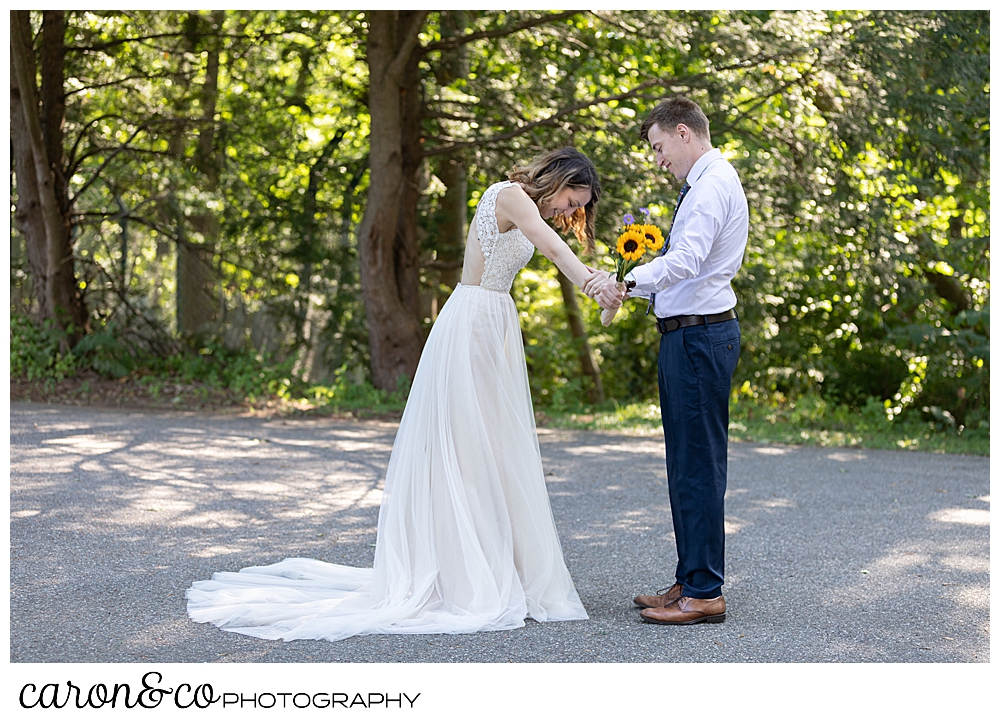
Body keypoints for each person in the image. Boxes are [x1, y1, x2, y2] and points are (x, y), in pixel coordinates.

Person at [187, 148, 606, 641]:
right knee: (468, 449)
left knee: (493, 449)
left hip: (495, 324)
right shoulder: (512, 196)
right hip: (472, 324)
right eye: (568, 199)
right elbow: (555, 250)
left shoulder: (527, 205)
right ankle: (465, 574)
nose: (567, 213)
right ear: (556, 178)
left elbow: (554, 242)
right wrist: (594, 284)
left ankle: (491, 565)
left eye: (575, 208)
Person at [586, 96, 748, 625]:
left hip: (701, 339)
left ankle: (704, 593)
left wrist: (626, 282)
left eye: (659, 147)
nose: (658, 159)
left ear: (684, 132)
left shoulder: (713, 183)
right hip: (688, 337)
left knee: (697, 466)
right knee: (685, 465)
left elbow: (686, 261)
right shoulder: (704, 183)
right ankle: (690, 578)